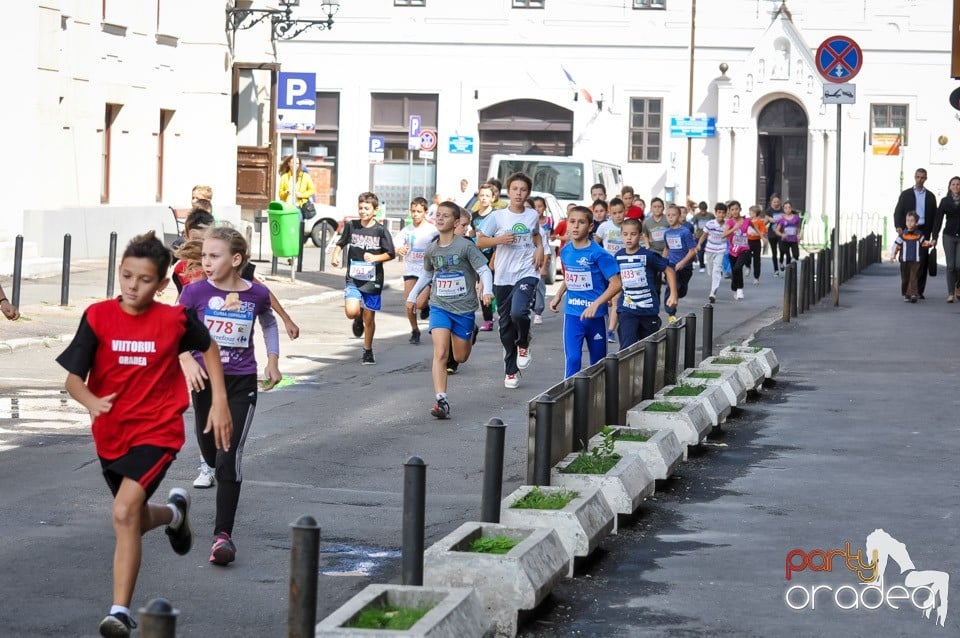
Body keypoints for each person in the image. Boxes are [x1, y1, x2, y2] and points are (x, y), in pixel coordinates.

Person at [56, 231, 231, 637]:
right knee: (132, 516)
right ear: (119, 272)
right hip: (111, 433)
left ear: (162, 284)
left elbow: (209, 348)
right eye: (127, 276)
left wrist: (219, 400)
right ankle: (174, 515)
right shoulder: (98, 316)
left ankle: (119, 612)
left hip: (158, 429)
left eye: (145, 279)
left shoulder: (172, 320)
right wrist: (91, 402)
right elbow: (72, 380)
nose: (133, 286)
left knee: (122, 513)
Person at [177, 227, 279, 567]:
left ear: (235, 259)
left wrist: (273, 360)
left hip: (240, 382)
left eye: (214, 256)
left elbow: (268, 322)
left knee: (228, 456)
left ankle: (223, 536)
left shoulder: (257, 294)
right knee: (209, 449)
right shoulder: (194, 293)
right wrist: (187, 359)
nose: (206, 262)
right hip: (205, 382)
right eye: (204, 256)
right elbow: (174, 329)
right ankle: (207, 466)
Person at [406, 202, 493, 418]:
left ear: (456, 223)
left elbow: (484, 270)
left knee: (461, 356)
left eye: (446, 216)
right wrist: (412, 296)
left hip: (463, 309)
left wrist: (488, 291)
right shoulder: (432, 249)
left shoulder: (465, 246)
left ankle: (469, 333)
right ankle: (441, 400)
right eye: (438, 215)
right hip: (439, 306)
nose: (440, 218)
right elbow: (427, 275)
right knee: (441, 352)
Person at [476, 172, 544, 389]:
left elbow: (536, 235)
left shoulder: (532, 215)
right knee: (505, 326)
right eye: (515, 189)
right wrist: (498, 240)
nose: (519, 193)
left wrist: (540, 249)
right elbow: (479, 242)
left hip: (526, 271)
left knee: (519, 312)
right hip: (503, 275)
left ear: (528, 193)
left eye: (523, 190)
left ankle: (524, 341)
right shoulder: (497, 217)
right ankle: (510, 369)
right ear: (509, 190)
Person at [549, 206, 622, 378]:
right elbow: (571, 275)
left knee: (598, 364)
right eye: (572, 221)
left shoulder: (599, 254)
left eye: (581, 222)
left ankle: (597, 399)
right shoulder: (566, 250)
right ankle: (570, 400)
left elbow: (616, 284)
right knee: (573, 359)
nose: (575, 226)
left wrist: (596, 304)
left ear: (590, 227)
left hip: (596, 317)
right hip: (573, 314)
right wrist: (559, 295)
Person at [331, 192, 396, 365]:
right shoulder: (352, 226)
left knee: (370, 318)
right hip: (354, 277)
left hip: (372, 280)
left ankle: (367, 350)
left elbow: (390, 253)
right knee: (351, 312)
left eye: (367, 208)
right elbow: (341, 242)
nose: (363, 211)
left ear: (375, 210)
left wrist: (375, 258)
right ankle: (357, 317)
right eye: (360, 208)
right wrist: (335, 254)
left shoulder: (381, 230)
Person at [615, 218, 678, 348]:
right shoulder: (618, 256)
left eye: (633, 234)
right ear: (621, 235)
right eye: (625, 234)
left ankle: (647, 368)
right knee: (627, 346)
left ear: (641, 236)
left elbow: (669, 271)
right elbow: (616, 280)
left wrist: (673, 295)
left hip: (648, 309)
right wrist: (611, 297)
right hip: (627, 308)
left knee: (649, 348)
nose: (629, 238)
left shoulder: (648, 256)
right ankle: (627, 368)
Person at [397, 197, 439, 344]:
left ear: (425, 212)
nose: (415, 214)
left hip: (426, 271)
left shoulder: (433, 231)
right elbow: (396, 246)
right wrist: (399, 249)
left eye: (419, 211)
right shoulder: (406, 230)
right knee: (410, 303)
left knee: (419, 303)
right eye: (413, 211)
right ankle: (415, 330)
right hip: (410, 270)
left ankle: (426, 304)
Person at [893, 168, 938, 299]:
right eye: (918, 177)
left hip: (923, 229)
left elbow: (935, 216)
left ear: (926, 178)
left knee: (922, 261)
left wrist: (934, 235)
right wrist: (898, 226)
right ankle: (907, 289)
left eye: (922, 177)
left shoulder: (930, 196)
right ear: (914, 177)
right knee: (907, 260)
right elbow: (898, 211)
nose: (920, 179)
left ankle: (918, 290)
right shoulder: (906, 194)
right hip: (908, 230)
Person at [595, 197, 626, 342]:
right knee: (602, 298)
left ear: (625, 211)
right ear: (610, 213)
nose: (618, 215)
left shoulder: (628, 226)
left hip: (621, 268)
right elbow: (595, 244)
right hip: (605, 267)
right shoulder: (604, 227)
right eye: (615, 213)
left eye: (620, 212)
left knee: (615, 299)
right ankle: (600, 324)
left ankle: (611, 330)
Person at [662, 204, 698, 322]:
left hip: (685, 267)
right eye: (668, 215)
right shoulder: (666, 232)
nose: (671, 218)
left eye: (673, 215)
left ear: (679, 216)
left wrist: (682, 263)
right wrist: (662, 263)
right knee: (671, 288)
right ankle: (671, 313)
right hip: (672, 265)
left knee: (681, 291)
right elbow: (667, 249)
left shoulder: (685, 232)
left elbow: (692, 251)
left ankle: (676, 297)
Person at [471, 183, 499, 332]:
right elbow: (471, 234)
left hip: (494, 255)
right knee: (481, 288)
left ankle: (499, 312)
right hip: (477, 256)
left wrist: (494, 257)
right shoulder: (474, 216)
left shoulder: (496, 215)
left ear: (493, 198)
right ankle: (488, 319)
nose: (483, 198)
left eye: (487, 195)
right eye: (481, 195)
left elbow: (498, 239)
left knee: (495, 287)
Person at [890, 211, 929, 303]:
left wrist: (930, 243)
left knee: (914, 277)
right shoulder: (902, 235)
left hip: (916, 259)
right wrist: (893, 256)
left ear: (916, 223)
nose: (909, 223)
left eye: (912, 221)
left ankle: (914, 294)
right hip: (904, 260)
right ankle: (906, 294)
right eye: (907, 220)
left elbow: (924, 243)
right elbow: (896, 245)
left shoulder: (919, 234)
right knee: (905, 278)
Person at [933, 176, 960, 302]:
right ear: (949, 187)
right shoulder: (945, 201)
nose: (956, 186)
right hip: (948, 235)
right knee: (950, 266)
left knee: (958, 265)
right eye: (953, 184)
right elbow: (938, 219)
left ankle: (958, 286)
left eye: (958, 184)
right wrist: (935, 237)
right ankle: (951, 293)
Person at [698, 203, 727, 303]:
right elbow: (704, 235)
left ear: (725, 214)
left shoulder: (727, 224)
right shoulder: (710, 223)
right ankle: (717, 274)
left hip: (721, 249)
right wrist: (699, 244)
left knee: (716, 271)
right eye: (719, 212)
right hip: (710, 249)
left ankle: (713, 293)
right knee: (711, 271)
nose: (721, 215)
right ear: (716, 213)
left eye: (723, 213)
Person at [722, 200, 752, 300]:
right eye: (732, 210)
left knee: (738, 268)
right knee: (735, 271)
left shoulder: (747, 220)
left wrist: (762, 236)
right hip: (733, 251)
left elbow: (754, 227)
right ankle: (734, 288)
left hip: (744, 249)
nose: (735, 211)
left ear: (740, 209)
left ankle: (740, 289)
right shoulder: (729, 222)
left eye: (736, 209)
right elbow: (724, 235)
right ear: (729, 211)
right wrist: (734, 228)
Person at [642, 197, 669, 297]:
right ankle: (656, 296)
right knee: (656, 278)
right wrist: (647, 246)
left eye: (659, 207)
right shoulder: (647, 222)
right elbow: (645, 234)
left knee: (669, 274)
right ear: (651, 208)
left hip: (668, 251)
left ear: (663, 208)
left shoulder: (667, 220)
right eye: (655, 207)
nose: (657, 209)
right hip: (654, 251)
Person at [532, 196, 552, 325]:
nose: (537, 209)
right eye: (534, 207)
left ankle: (538, 312)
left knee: (539, 285)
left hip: (540, 260)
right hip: (526, 262)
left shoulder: (542, 229)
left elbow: (546, 250)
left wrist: (544, 266)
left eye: (540, 206)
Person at [774, 201, 802, 266]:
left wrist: (798, 235)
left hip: (794, 239)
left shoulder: (796, 218)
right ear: (783, 209)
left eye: (789, 207)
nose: (787, 209)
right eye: (785, 208)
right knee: (786, 254)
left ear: (791, 208)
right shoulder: (782, 219)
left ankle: (791, 264)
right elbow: (777, 231)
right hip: (785, 240)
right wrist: (782, 234)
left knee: (796, 255)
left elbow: (798, 228)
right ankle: (782, 264)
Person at [747, 205, 768, 284]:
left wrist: (759, 234)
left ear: (755, 214)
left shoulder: (759, 222)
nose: (749, 213)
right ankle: (748, 265)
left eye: (751, 212)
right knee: (746, 255)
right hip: (748, 241)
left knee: (757, 260)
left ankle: (756, 277)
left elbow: (763, 231)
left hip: (756, 242)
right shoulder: (748, 220)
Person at [763, 194, 784, 277]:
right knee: (774, 252)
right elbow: (764, 223)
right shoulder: (769, 211)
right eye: (774, 202)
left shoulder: (783, 210)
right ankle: (776, 270)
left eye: (777, 202)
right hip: (772, 233)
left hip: (781, 233)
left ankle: (781, 261)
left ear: (780, 202)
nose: (776, 203)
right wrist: (768, 220)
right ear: (771, 202)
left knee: (783, 249)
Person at [691, 201, 714, 272]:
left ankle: (712, 265)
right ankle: (702, 265)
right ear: (700, 209)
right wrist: (693, 233)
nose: (703, 212)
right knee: (700, 252)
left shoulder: (710, 215)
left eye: (704, 210)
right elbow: (692, 224)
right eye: (701, 210)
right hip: (699, 236)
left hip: (709, 237)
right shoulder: (697, 216)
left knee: (710, 252)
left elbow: (715, 223)